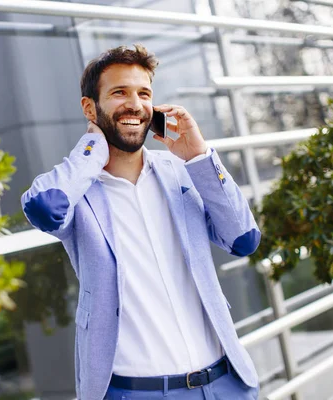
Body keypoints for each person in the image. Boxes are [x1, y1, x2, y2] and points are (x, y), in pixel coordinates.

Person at [21, 44, 260, 400]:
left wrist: (199, 156)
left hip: (226, 384)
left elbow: (244, 240)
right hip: (138, 393)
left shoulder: (181, 173)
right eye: (119, 92)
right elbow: (44, 208)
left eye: (144, 93)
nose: (134, 104)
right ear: (90, 107)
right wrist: (91, 151)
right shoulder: (76, 189)